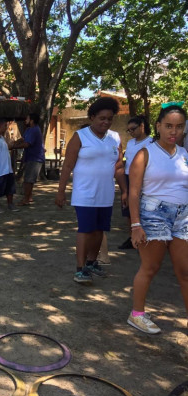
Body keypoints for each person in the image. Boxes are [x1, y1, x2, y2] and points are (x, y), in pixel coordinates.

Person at [127, 105, 188, 334]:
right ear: (158, 126)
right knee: (151, 267)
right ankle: (137, 315)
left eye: (179, 126)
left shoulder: (184, 155)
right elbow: (134, 193)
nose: (174, 131)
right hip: (154, 214)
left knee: (185, 271)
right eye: (169, 126)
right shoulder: (145, 154)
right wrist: (135, 225)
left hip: (183, 216)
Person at [55, 97, 127, 285]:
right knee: (86, 230)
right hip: (84, 193)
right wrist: (61, 191)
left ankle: (91, 262)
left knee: (99, 230)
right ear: (92, 117)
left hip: (106, 193)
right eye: (102, 118)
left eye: (109, 118)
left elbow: (118, 166)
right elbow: (67, 165)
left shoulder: (115, 138)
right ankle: (80, 269)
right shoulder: (80, 136)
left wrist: (125, 191)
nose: (106, 122)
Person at [118, 115, 152, 250]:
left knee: (143, 208)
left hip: (144, 179)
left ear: (142, 126)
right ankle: (132, 236)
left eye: (133, 129)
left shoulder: (152, 142)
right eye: (129, 130)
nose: (131, 132)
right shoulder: (131, 143)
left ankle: (146, 237)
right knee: (127, 208)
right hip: (128, 177)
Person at [11, 113, 45, 205]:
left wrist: (13, 147)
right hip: (30, 157)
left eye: (28, 118)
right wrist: (14, 142)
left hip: (35, 158)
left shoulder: (34, 130)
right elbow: (22, 139)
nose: (26, 120)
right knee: (29, 179)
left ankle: (26, 199)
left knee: (28, 180)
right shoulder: (29, 129)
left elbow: (26, 144)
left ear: (32, 121)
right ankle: (29, 197)